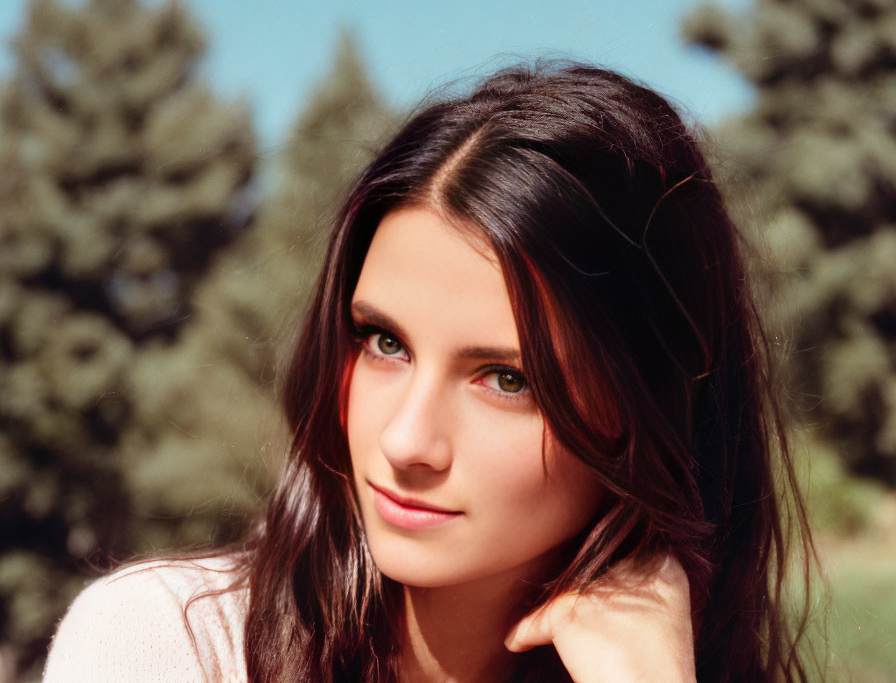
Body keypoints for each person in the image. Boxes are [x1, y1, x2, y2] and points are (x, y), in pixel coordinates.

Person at [43, 61, 818, 683]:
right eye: (384, 342)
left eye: (507, 379)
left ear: (655, 405)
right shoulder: (166, 644)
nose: (408, 442)